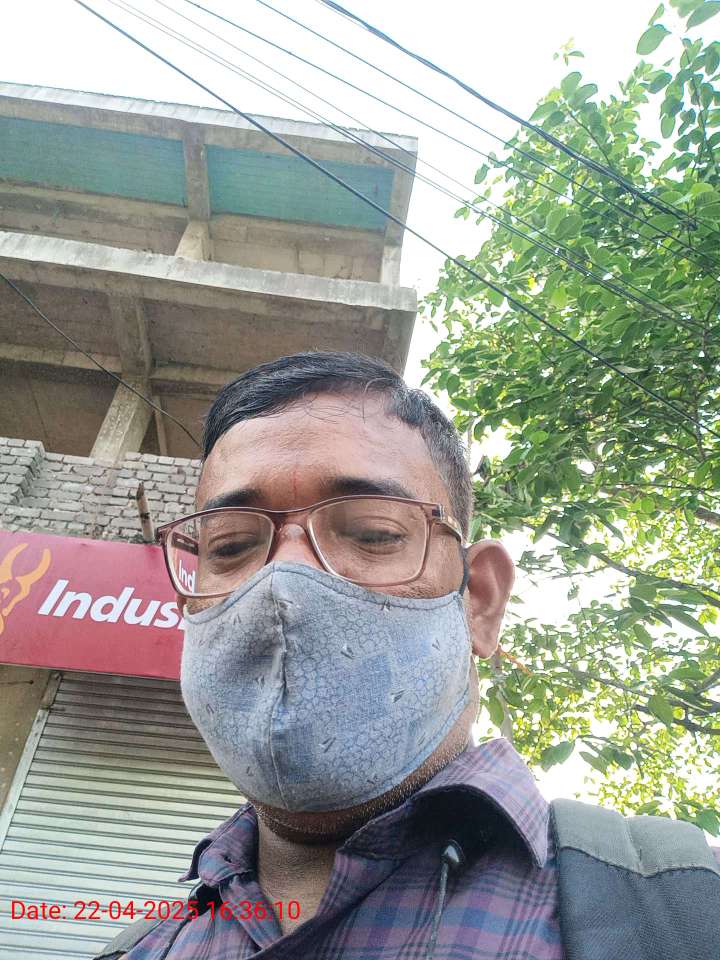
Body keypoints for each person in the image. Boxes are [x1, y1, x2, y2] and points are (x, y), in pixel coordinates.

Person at [98, 351, 719, 960]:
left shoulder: (684, 912)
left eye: (374, 533)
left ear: (479, 602)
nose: (281, 583)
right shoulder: (142, 948)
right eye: (231, 545)